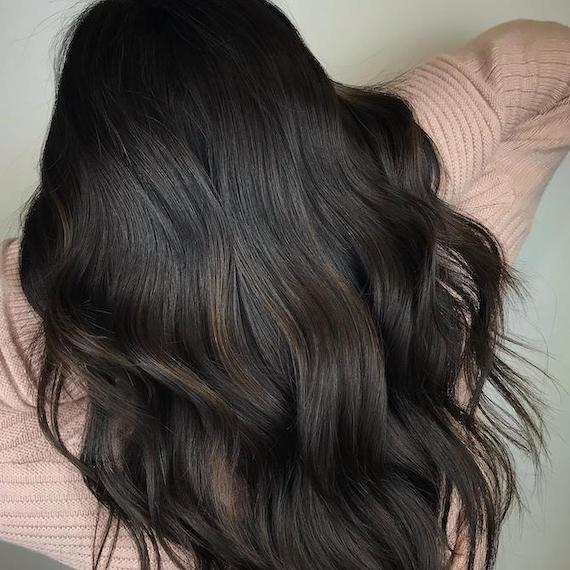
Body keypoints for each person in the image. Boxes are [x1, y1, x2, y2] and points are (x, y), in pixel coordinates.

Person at [0, 1, 568, 568]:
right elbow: (538, 68)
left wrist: (54, 277)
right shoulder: (419, 249)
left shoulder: (48, 414)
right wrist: (376, 157)